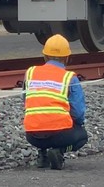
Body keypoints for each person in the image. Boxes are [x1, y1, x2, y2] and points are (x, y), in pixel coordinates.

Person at [23, 34, 88, 170]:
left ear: (45, 56)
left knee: (41, 124)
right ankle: (59, 151)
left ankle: (42, 154)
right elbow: (78, 113)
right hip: (60, 135)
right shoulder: (69, 77)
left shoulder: (30, 72)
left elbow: (26, 100)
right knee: (82, 136)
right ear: (67, 58)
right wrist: (76, 125)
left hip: (32, 135)